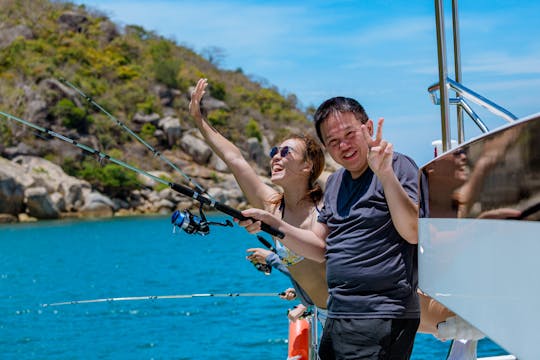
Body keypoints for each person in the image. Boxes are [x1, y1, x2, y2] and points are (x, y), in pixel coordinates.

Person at [238, 96, 422, 359]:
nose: (344, 146)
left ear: (368, 128)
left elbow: (413, 231)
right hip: (339, 312)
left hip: (380, 312)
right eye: (333, 142)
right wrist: (274, 225)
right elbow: (320, 248)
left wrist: (385, 175)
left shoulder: (397, 165)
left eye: (349, 134)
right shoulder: (336, 183)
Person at [189, 78, 329, 315]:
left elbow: (320, 251)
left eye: (286, 152)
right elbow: (235, 160)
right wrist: (199, 120)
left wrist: (273, 231)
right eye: (274, 151)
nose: (275, 156)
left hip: (347, 315)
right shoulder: (273, 206)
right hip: (320, 314)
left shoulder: (322, 207)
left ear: (307, 166)